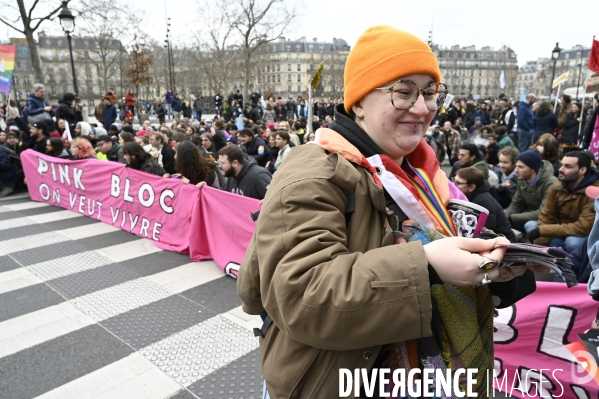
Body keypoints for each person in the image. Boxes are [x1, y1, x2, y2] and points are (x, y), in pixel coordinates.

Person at [238, 25, 534, 399]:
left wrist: (491, 268)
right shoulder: (312, 171)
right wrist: (426, 266)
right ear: (359, 101)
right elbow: (301, 295)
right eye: (404, 93)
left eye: (429, 93)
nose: (423, 108)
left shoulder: (420, 172)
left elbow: (435, 257)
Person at [527, 151, 599, 280]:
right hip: (562, 230)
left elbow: (583, 227)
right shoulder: (557, 186)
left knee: (572, 242)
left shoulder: (594, 191)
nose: (561, 169)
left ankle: (569, 278)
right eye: (561, 165)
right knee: (531, 226)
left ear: (582, 170)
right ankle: (549, 266)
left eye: (568, 166)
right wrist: (541, 249)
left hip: (584, 235)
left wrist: (542, 231)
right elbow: (546, 215)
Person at [454, 167, 516, 242]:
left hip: (503, 241)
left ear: (471, 187)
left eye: (458, 183)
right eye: (454, 181)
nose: (454, 185)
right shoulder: (470, 195)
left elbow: (487, 231)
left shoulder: (483, 202)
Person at [505, 150, 557, 236]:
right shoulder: (522, 179)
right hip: (531, 213)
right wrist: (505, 218)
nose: (516, 170)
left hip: (548, 219)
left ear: (533, 169)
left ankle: (533, 247)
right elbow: (516, 204)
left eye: (521, 167)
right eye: (516, 166)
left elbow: (542, 212)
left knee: (530, 225)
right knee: (502, 215)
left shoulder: (550, 183)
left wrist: (512, 217)